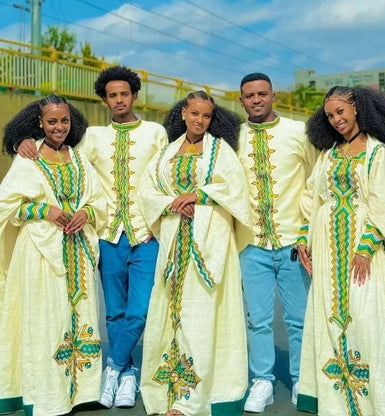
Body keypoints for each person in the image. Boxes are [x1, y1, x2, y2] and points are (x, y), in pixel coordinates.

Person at [13, 66, 168, 409]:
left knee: (141, 309)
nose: (118, 100)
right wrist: (20, 141)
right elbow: (56, 144)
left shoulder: (156, 133)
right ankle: (127, 376)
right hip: (108, 234)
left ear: (134, 95)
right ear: (104, 99)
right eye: (111, 95)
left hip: (146, 233)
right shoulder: (93, 137)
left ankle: (112, 367)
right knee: (113, 312)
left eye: (124, 94)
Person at [296, 86, 385, 416]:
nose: (336, 120)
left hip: (365, 253)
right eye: (330, 115)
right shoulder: (329, 154)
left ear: (357, 109)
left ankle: (379, 399)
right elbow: (313, 199)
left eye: (341, 112)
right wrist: (304, 240)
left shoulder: (377, 154)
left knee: (368, 318)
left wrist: (364, 250)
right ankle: (338, 402)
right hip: (326, 248)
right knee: (330, 318)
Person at [138, 90, 251, 416]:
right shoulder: (166, 153)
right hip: (175, 240)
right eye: (195, 114)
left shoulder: (221, 152)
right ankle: (173, 392)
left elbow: (236, 192)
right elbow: (148, 191)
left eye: (207, 116)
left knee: (202, 313)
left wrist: (196, 196)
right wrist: (171, 202)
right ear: (183, 113)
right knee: (176, 312)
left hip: (209, 242)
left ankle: (196, 399)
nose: (200, 120)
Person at [0, 95, 107, 416]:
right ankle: (44, 394)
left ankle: (81, 392)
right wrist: (44, 209)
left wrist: (86, 213)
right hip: (39, 254)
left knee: (77, 316)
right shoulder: (28, 158)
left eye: (64, 121)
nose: (59, 127)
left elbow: (98, 200)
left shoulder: (78, 159)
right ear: (40, 123)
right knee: (43, 320)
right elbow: (8, 205)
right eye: (52, 122)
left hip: (78, 253)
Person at [236, 72, 318, 413]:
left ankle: (301, 379)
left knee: (299, 318)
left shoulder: (299, 132)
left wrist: (307, 230)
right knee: (258, 319)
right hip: (250, 242)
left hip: (292, 242)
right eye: (250, 95)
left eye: (262, 93)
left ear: (273, 96)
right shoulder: (233, 136)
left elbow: (316, 180)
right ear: (240, 100)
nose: (256, 100)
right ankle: (263, 381)